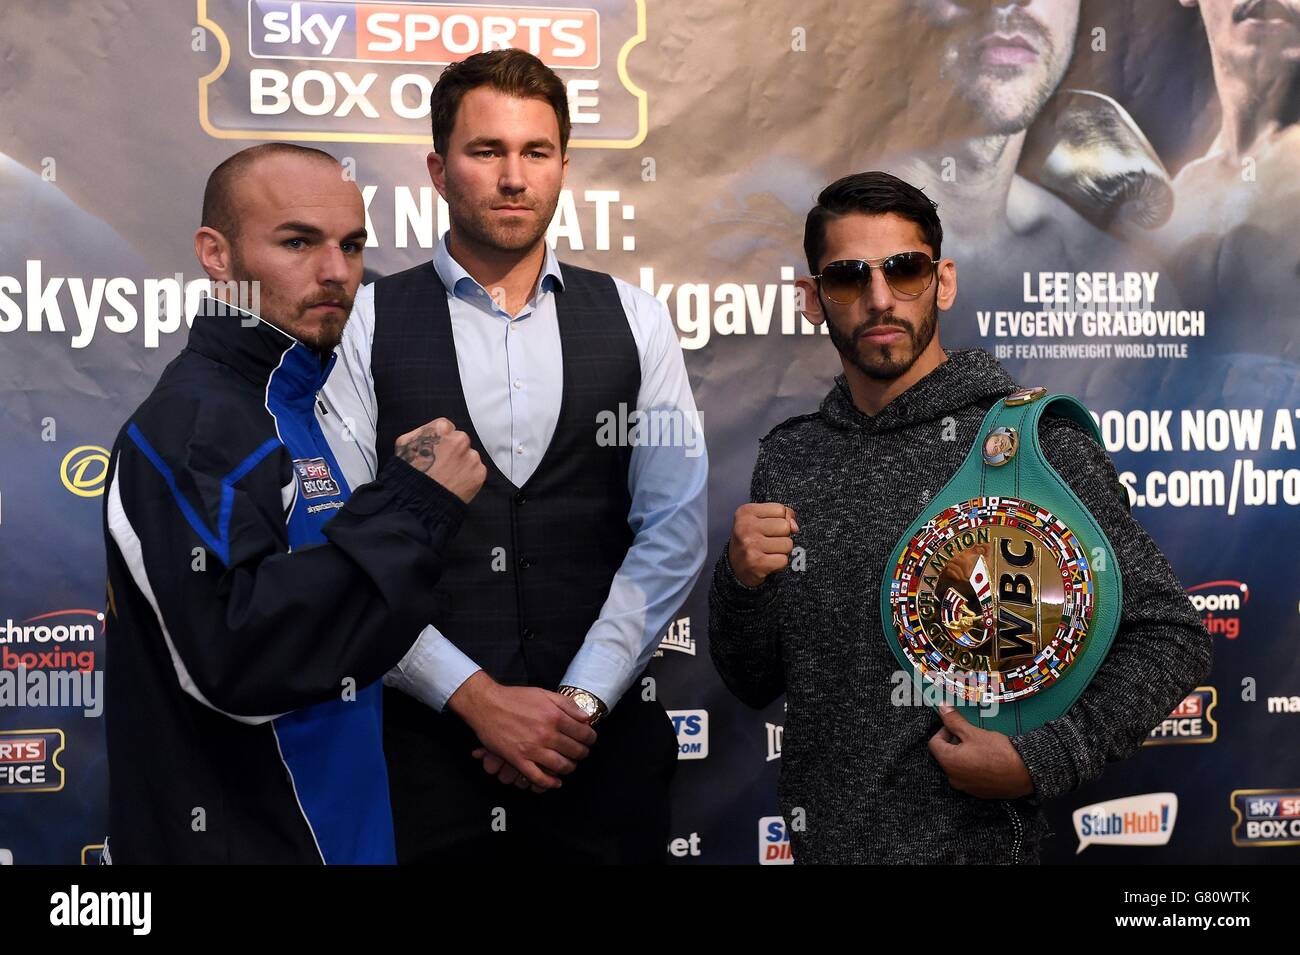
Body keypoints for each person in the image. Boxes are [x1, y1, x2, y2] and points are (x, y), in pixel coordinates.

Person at [707, 170, 1213, 864]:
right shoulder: (793, 458)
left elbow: (1171, 633)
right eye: (849, 277)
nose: (880, 298)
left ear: (941, 281)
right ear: (813, 299)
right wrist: (740, 581)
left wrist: (1041, 758)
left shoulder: (1030, 447)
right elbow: (752, 678)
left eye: (904, 270)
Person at [320, 49, 708, 864]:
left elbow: (672, 529)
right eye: (486, 150)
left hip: (603, 758)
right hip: (421, 757)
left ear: (564, 165)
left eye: (535, 152)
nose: (513, 177)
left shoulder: (636, 319)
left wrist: (576, 704)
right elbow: (341, 537)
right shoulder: (366, 321)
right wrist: (475, 698)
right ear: (437, 167)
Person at [102, 143, 485, 864]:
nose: (337, 271)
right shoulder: (195, 424)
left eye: (351, 244)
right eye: (298, 241)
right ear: (216, 255)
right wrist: (413, 505)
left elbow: (342, 629)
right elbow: (234, 655)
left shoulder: (289, 406)